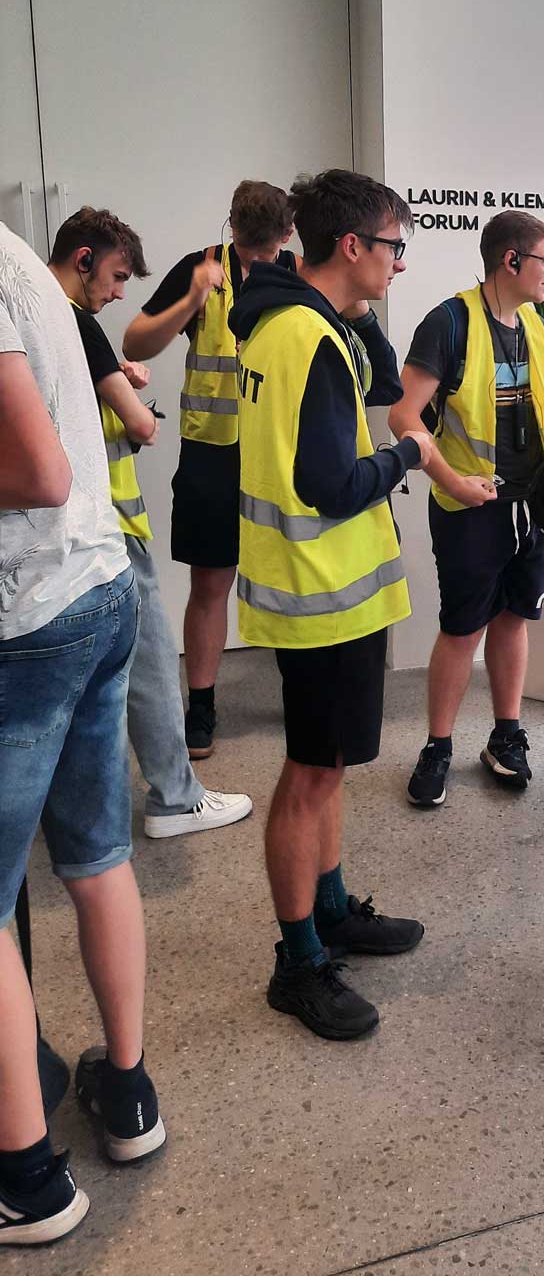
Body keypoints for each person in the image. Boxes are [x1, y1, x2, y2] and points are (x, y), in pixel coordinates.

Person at [230, 169, 430, 1041]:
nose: (399, 263)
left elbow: (381, 381)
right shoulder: (303, 335)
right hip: (315, 592)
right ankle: (298, 960)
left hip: (327, 592)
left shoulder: (302, 320)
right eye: (392, 246)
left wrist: (358, 309)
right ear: (351, 244)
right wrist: (409, 457)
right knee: (309, 774)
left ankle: (333, 907)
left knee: (330, 764)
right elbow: (330, 484)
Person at [1, 222, 166, 1247]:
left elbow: (38, 470)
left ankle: (26, 1179)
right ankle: (129, 1093)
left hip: (26, 615)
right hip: (96, 589)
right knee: (98, 856)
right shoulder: (16, 253)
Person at [48, 209, 253, 840]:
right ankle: (175, 798)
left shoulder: (38, 318)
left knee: (96, 672)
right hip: (110, 522)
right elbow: (139, 425)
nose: (117, 294)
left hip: (69, 524)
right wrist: (131, 396)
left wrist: (117, 382)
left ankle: (87, 806)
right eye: (115, 277)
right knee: (151, 662)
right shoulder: (78, 324)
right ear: (83, 259)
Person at [124, 180, 295, 761]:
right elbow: (135, 343)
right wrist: (191, 299)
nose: (261, 256)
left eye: (268, 246)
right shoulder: (200, 269)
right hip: (212, 455)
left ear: (287, 235)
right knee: (210, 585)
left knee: (286, 577)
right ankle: (201, 705)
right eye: (251, 245)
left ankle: (299, 691)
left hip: (279, 455)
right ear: (232, 228)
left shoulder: (298, 274)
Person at [393, 211, 544, 810]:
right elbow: (403, 416)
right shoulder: (450, 321)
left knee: (514, 619)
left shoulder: (536, 323)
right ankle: (438, 746)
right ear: (511, 260)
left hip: (531, 505)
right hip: (471, 508)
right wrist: (452, 481)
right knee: (462, 630)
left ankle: (505, 737)